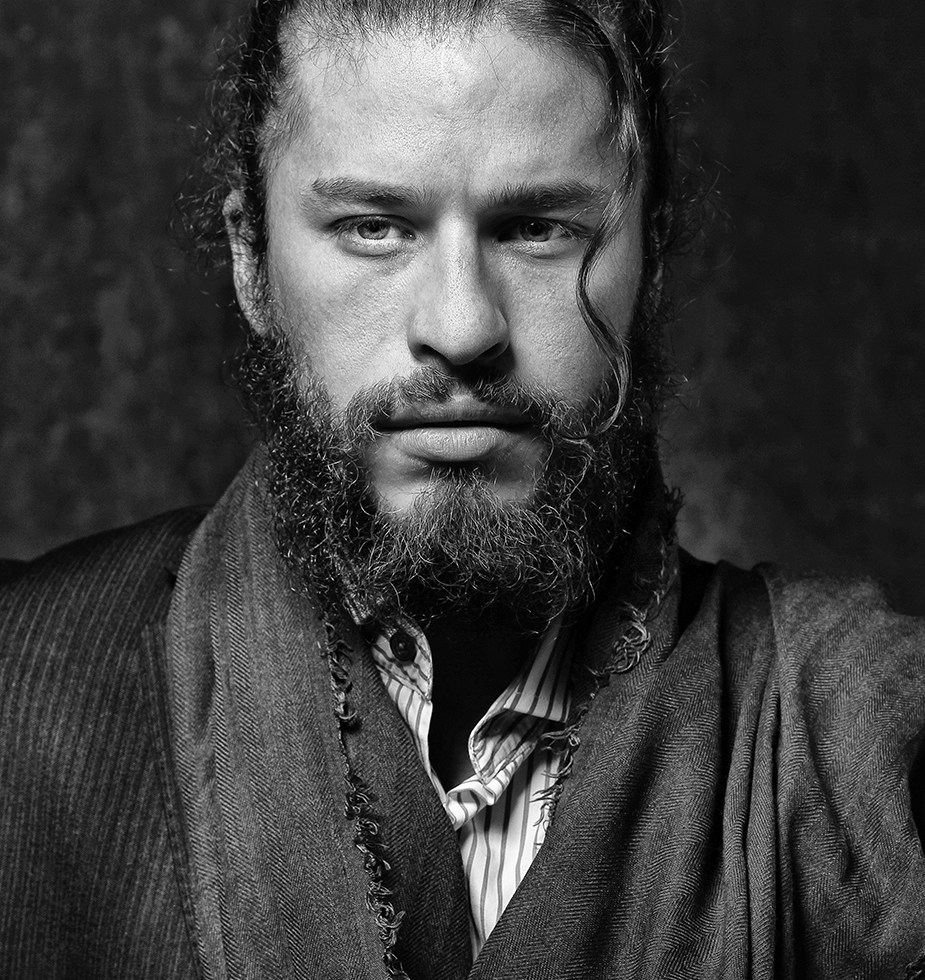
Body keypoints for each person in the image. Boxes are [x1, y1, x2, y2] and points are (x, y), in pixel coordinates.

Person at [1, 0, 924, 977]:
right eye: (372, 227)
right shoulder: (21, 690)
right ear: (252, 262)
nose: (461, 327)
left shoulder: (858, 741)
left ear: (649, 262)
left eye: (535, 229)